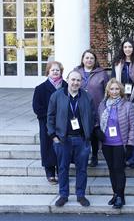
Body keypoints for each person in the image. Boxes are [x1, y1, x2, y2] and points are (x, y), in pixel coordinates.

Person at [47, 70, 96, 207]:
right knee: (62, 168)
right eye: (73, 79)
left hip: (81, 140)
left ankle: (80, 195)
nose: (75, 83)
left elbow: (93, 116)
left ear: (82, 82)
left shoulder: (87, 97)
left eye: (78, 80)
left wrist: (88, 133)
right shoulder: (56, 96)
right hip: (63, 140)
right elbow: (50, 117)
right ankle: (63, 195)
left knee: (82, 169)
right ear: (67, 80)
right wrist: (53, 135)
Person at [97, 78, 134, 209]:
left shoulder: (128, 105)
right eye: (112, 89)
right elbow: (97, 122)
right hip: (107, 144)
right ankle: (115, 193)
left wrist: (131, 144)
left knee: (119, 170)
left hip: (120, 143)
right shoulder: (102, 105)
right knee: (111, 170)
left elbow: (133, 127)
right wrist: (98, 132)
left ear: (121, 90)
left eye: (117, 89)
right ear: (108, 91)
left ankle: (121, 196)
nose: (114, 91)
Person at [32, 61, 67, 184]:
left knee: (62, 147)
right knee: (48, 147)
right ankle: (50, 173)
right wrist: (49, 118)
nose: (55, 72)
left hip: (63, 124)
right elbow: (37, 107)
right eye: (53, 70)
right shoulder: (40, 88)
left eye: (57, 70)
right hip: (47, 124)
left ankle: (61, 171)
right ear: (48, 72)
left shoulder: (66, 86)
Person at [111, 38, 134, 168]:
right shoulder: (118, 63)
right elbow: (113, 82)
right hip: (120, 101)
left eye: (130, 47)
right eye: (125, 47)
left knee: (133, 130)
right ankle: (122, 157)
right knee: (121, 129)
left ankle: (133, 159)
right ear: (122, 49)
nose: (127, 49)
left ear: (133, 48)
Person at [75, 49, 109, 167]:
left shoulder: (102, 73)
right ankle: (80, 156)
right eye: (87, 58)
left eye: (91, 58)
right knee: (80, 132)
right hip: (78, 108)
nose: (89, 60)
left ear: (95, 61)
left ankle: (94, 156)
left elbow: (107, 91)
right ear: (83, 59)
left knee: (94, 133)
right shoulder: (76, 71)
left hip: (96, 108)